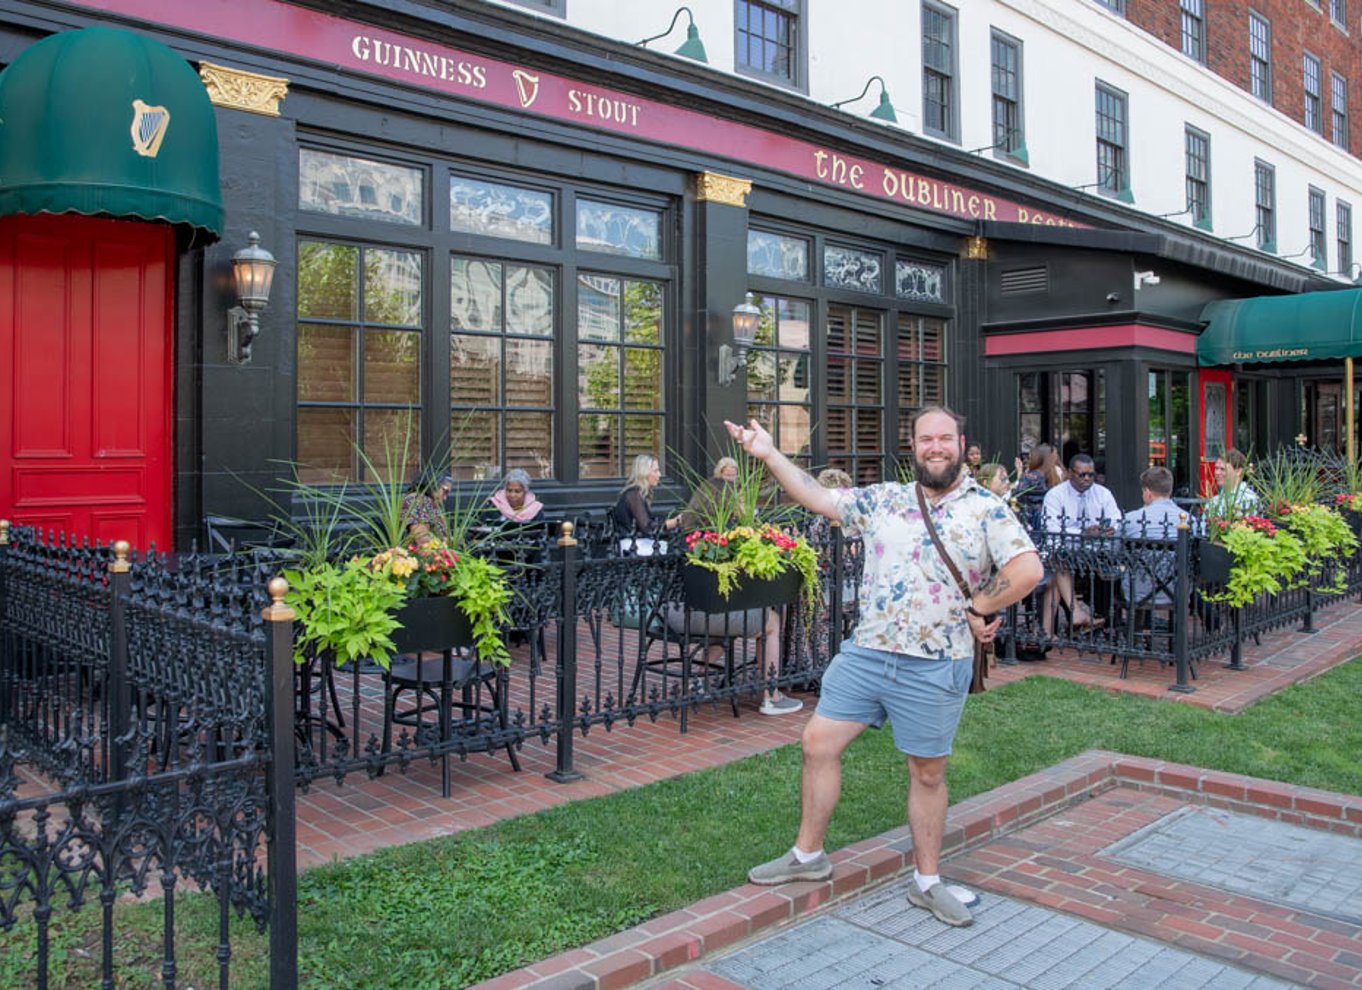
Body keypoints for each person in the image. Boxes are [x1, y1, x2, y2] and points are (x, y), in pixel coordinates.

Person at [731, 407, 1042, 928]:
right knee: (817, 744)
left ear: (960, 444)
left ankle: (927, 881)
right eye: (926, 439)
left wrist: (982, 605)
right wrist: (769, 455)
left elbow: (1027, 568)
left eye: (945, 438)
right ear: (913, 446)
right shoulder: (886, 499)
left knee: (927, 773)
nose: (935, 447)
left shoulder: (986, 509)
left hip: (934, 663)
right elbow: (819, 496)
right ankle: (808, 857)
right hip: (867, 653)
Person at [670, 457, 801, 716]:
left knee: (725, 620)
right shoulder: (724, 537)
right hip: (701, 614)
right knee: (772, 622)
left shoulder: (688, 531)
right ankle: (771, 696)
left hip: (672, 612)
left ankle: (698, 678)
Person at [1040, 453, 1122, 634]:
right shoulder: (1055, 495)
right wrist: (1082, 534)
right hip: (1064, 551)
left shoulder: (1103, 493)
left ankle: (1054, 629)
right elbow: (1051, 529)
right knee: (1059, 560)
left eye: (1091, 475)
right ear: (1070, 473)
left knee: (1111, 572)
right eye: (1082, 474)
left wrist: (1110, 529)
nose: (1087, 479)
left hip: (1097, 552)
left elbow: (1116, 520)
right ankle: (1075, 614)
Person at [1122, 466, 1191, 610]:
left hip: (1137, 591)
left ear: (1147, 492)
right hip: (1178, 591)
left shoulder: (1130, 519)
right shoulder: (1189, 520)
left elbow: (1115, 551)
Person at [612, 453, 679, 552]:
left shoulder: (637, 494)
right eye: (655, 471)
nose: (659, 475)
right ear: (644, 473)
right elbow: (647, 527)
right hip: (632, 547)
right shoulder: (634, 495)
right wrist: (673, 523)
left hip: (638, 543)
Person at [1204, 448, 1259, 519]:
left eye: (1223, 469)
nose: (1217, 473)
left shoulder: (1249, 499)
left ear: (1238, 471)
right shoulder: (1213, 501)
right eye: (1216, 468)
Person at [401, 471, 452, 545]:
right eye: (445, 491)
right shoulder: (417, 500)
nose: (445, 498)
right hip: (424, 551)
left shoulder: (431, 502)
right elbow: (422, 538)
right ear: (434, 484)